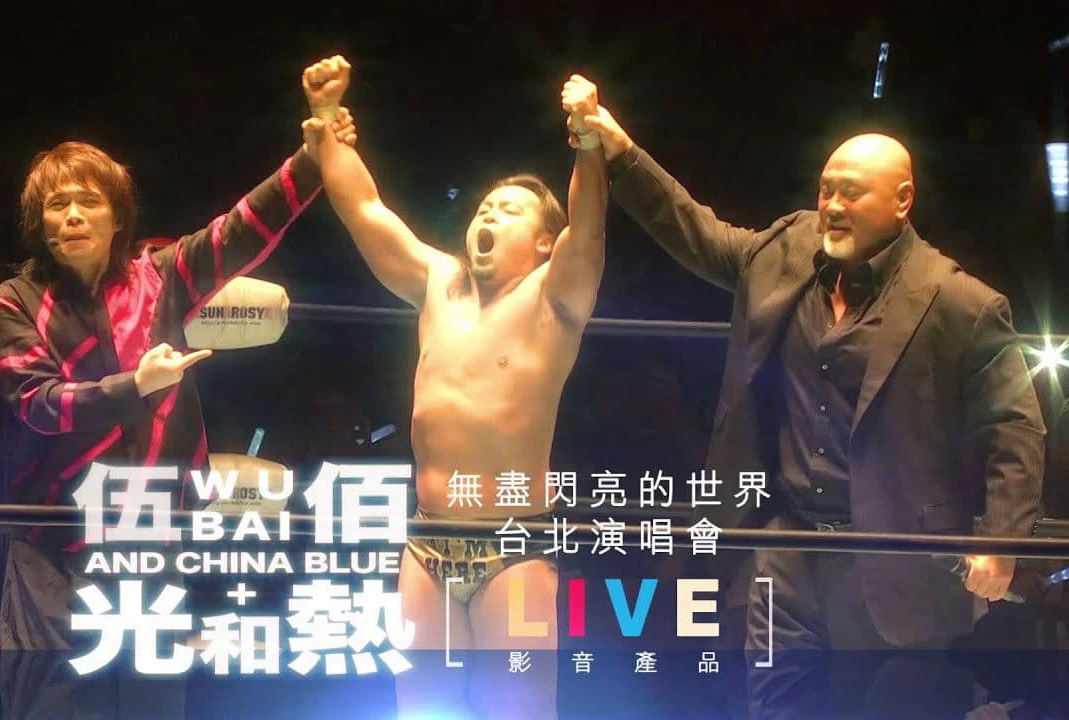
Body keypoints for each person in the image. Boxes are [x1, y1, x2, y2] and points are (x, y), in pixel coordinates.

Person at [574, 86, 1046, 656]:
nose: (833, 206)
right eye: (826, 189)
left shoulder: (959, 303)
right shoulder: (789, 250)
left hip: (895, 562)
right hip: (788, 545)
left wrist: (1001, 540)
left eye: (852, 192)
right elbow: (698, 232)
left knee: (882, 695)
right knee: (772, 692)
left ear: (902, 200)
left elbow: (1014, 425)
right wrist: (623, 153)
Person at [0, 108, 356, 650]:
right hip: (56, 543)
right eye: (57, 205)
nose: (73, 216)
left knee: (150, 686)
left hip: (154, 536)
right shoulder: (10, 303)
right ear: (40, 223)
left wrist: (313, 159)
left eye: (89, 201)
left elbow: (240, 230)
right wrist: (137, 384)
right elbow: (40, 404)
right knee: (54, 689)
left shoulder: (159, 277)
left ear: (117, 217)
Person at [301, 55, 608, 717]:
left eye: (509, 210)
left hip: (514, 543)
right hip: (426, 540)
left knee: (518, 710)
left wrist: (586, 140)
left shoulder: (555, 297)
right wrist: (326, 118)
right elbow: (365, 211)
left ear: (545, 241)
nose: (488, 214)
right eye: (484, 207)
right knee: (420, 708)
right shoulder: (440, 283)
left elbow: (588, 230)